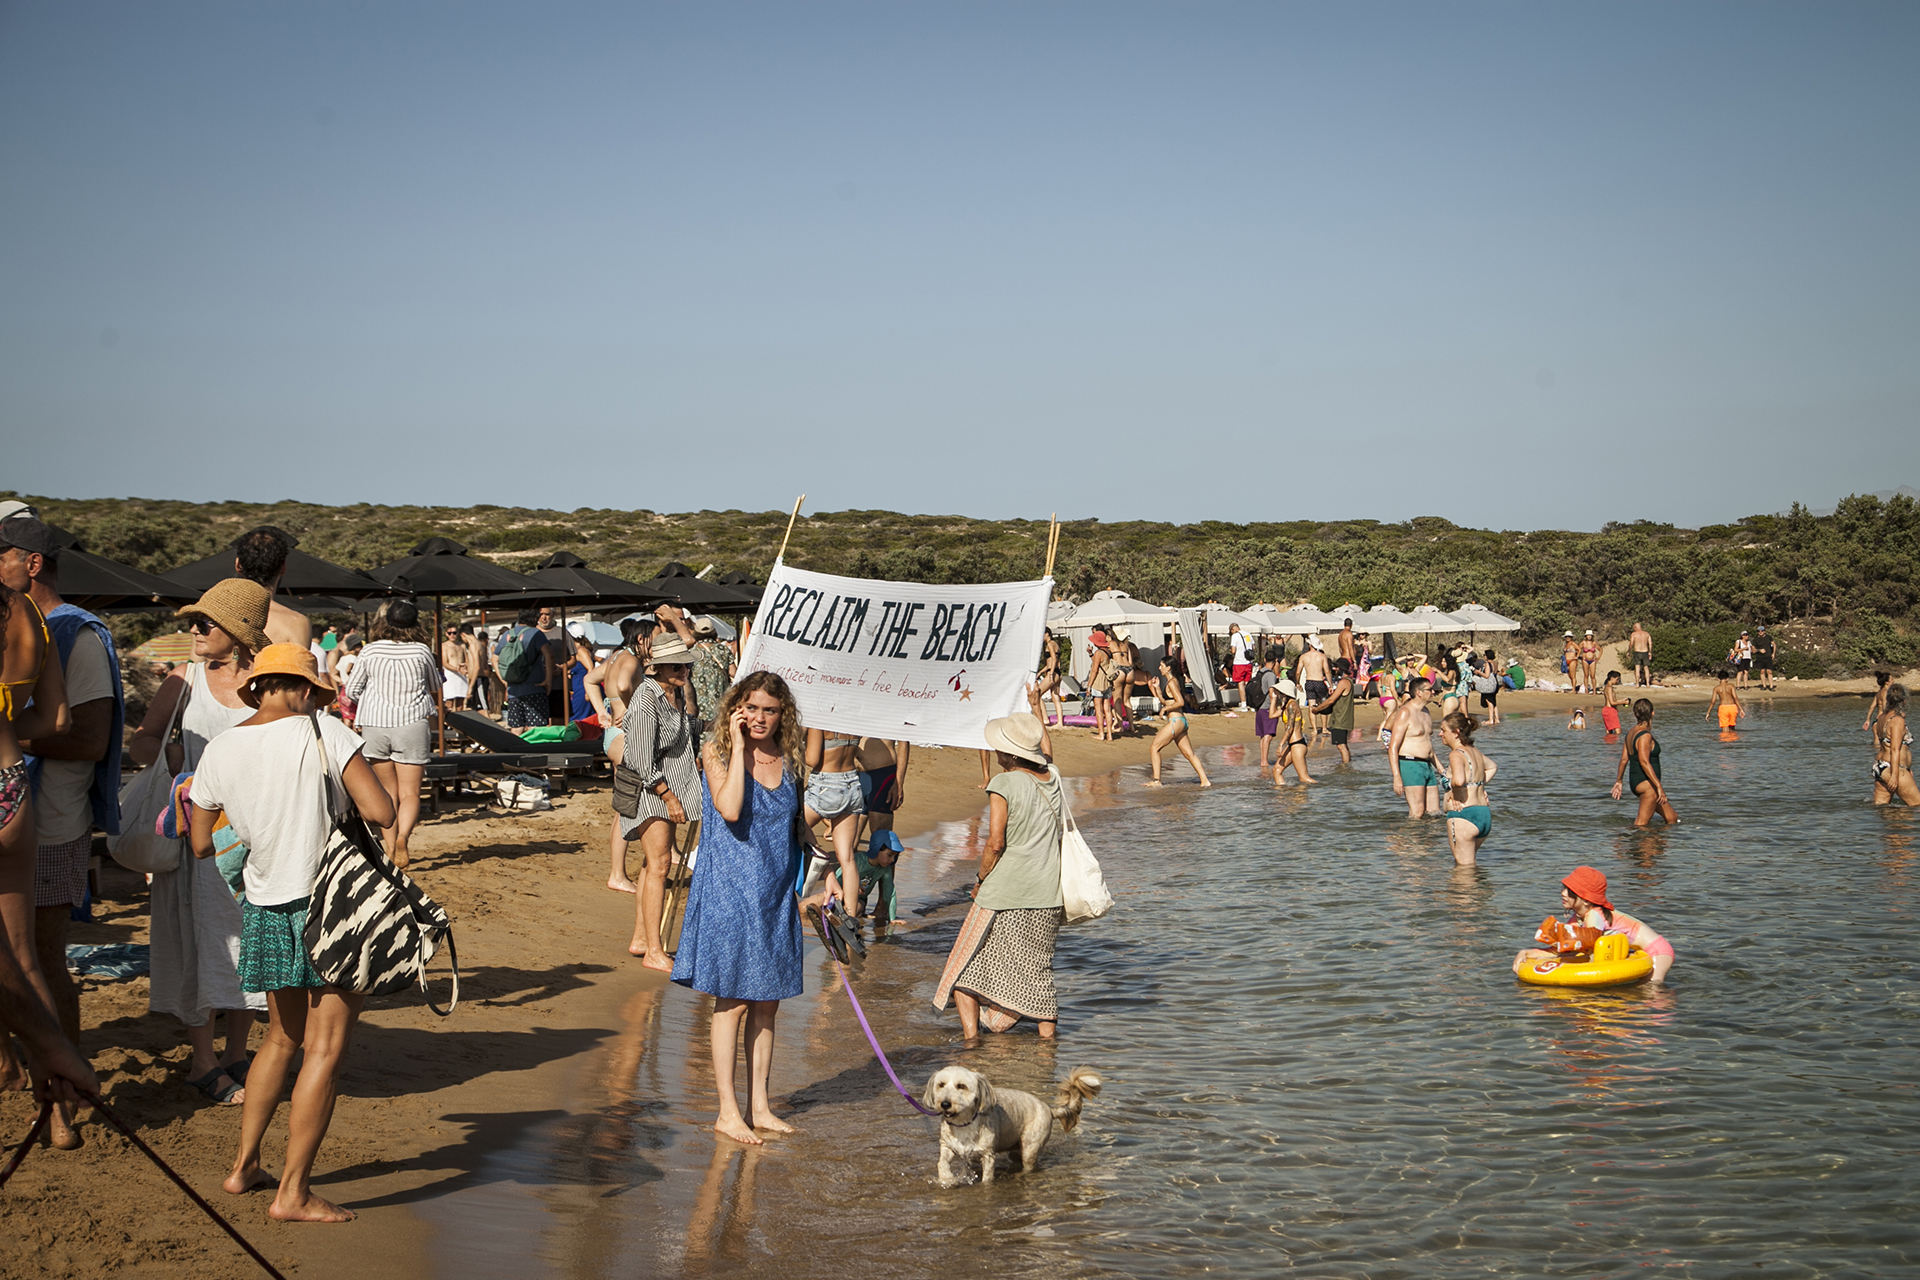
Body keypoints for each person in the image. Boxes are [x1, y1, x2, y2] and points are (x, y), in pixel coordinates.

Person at [189, 644, 396, 1222]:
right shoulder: (324, 731)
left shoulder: (223, 748)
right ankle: (294, 1193)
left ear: (259, 687)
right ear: (304, 689)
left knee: (280, 1040)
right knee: (324, 1052)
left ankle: (244, 1166)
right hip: (330, 905)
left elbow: (203, 843)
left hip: (266, 907)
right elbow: (380, 811)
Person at [128, 580, 270, 1107]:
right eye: (194, 621)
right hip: (197, 836)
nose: (193, 630)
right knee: (199, 941)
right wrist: (175, 764)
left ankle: (235, 1052)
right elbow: (142, 740)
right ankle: (201, 1059)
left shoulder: (268, 680)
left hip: (255, 836)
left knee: (247, 943)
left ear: (236, 633)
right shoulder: (183, 680)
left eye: (204, 623)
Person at [9, 523, 123, 1148]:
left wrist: (6, 737)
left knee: (42, 959)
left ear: (31, 563)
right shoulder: (16, 626)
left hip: (50, 822)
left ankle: (62, 1108)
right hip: (23, 810)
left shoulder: (76, 634)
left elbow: (89, 738)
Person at [670, 671, 813, 1144]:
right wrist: (733, 741)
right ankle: (727, 1111)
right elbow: (730, 809)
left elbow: (790, 820)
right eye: (750, 708)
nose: (758, 718)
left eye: (769, 710)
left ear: (782, 714)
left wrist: (808, 838)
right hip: (730, 893)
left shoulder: (789, 758)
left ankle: (760, 1106)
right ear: (736, 707)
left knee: (767, 1004)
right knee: (731, 1002)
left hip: (774, 894)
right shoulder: (717, 752)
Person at [0, 523, 75, 1137]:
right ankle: (60, 1115)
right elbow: (54, 719)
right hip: (9, 784)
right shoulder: (29, 616)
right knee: (24, 957)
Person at [935, 709, 1064, 1040]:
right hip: (1049, 893)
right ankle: (1048, 1046)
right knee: (1038, 972)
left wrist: (979, 881)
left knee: (963, 970)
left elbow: (995, 843)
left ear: (1007, 753)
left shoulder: (1003, 782)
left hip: (1006, 892)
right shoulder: (1053, 778)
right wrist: (1036, 707)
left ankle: (971, 1043)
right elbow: (1046, 754)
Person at [622, 632, 703, 972]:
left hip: (670, 786)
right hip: (652, 790)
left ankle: (643, 939)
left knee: (651, 864)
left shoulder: (675, 694)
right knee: (660, 865)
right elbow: (641, 759)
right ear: (659, 667)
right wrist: (668, 797)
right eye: (677, 665)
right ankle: (655, 951)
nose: (683, 670)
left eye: (685, 664)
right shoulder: (646, 699)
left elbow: (683, 731)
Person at [344, 600, 439, 870]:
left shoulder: (370, 651)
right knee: (410, 793)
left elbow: (352, 690)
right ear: (414, 624)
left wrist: (374, 696)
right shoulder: (422, 651)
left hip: (375, 723)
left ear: (385, 622)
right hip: (411, 723)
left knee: (387, 792)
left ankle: (389, 848)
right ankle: (403, 838)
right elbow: (434, 686)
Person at [1512, 866, 1675, 984]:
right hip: (1638, 950)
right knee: (1637, 991)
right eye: (1564, 888)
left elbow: (1589, 949)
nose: (1562, 893)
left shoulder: (1594, 915)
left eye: (1569, 890)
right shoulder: (1578, 919)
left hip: (1657, 950)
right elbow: (1560, 950)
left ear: (1584, 898)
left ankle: (1662, 1019)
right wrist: (1530, 952)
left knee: (1651, 990)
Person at [799, 723, 866, 937]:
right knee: (847, 858)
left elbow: (812, 759)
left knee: (794, 826)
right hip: (852, 784)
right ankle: (851, 920)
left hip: (825, 784)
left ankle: (821, 864)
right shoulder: (854, 720)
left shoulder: (821, 720)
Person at [233, 527, 313, 651]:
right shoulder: (296, 623)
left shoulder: (208, 616)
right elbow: (300, 669)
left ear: (238, 565)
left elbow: (194, 667)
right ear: (283, 568)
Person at [1439, 711, 1496, 866]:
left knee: (1464, 870)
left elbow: (1458, 780)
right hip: (1483, 814)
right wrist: (1479, 785)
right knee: (1470, 866)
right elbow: (1492, 767)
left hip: (1464, 815)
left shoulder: (1456, 754)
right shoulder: (1475, 751)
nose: (1440, 734)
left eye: (1443, 730)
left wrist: (1455, 793)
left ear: (1456, 733)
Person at [1612, 698, 1678, 826]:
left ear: (1635, 714)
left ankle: (1657, 843)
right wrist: (1659, 787)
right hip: (1647, 785)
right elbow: (1644, 762)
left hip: (1638, 782)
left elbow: (1624, 759)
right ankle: (1631, 844)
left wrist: (1619, 781)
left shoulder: (1631, 733)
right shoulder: (1644, 736)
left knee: (1672, 818)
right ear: (1653, 713)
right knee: (1641, 825)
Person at [1147, 655, 1211, 787]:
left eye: (1162, 666)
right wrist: (1157, 688)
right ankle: (1205, 781)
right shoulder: (1171, 682)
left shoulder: (1172, 682)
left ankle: (1156, 781)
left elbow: (1180, 702)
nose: (1159, 668)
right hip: (1180, 722)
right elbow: (1166, 701)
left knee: (1154, 748)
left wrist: (1165, 709)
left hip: (1175, 722)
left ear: (1168, 668)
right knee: (1189, 754)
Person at [494, 607, 554, 733]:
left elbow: (494, 659)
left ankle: (515, 752)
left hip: (513, 691)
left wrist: (504, 680)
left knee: (516, 728)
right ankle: (535, 752)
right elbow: (549, 655)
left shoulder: (507, 634)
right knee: (536, 727)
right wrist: (548, 680)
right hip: (534, 687)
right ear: (534, 618)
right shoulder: (536, 634)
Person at [1387, 677, 1441, 817]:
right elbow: (1393, 746)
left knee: (1434, 812)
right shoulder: (1405, 712)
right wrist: (1396, 776)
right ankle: (1409, 838)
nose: (1433, 692)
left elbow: (1427, 744)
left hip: (1427, 765)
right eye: (1430, 690)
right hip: (1410, 764)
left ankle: (1429, 839)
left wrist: (1441, 769)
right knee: (1417, 812)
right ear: (1419, 692)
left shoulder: (1426, 712)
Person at [1871, 683, 1920, 807]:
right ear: (1904, 701)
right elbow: (1894, 749)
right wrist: (1895, 774)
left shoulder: (1882, 717)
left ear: (1887, 699)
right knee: (1917, 805)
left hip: (1880, 767)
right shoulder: (1897, 721)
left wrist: (1907, 769)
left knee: (1882, 809)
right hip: (1893, 768)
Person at [689, 616, 734, 728]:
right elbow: (734, 673)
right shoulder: (723, 650)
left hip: (698, 711)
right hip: (721, 707)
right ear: (714, 631)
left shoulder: (691, 653)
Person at [1269, 677, 1316, 786]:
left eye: (1278, 692)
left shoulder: (1292, 705)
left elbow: (1290, 728)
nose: (1277, 693)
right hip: (1292, 745)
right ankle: (1282, 796)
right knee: (1276, 770)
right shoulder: (1286, 705)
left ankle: (1325, 789)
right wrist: (1273, 700)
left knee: (1304, 778)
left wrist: (1280, 745)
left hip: (1297, 744)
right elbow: (1271, 715)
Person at [1313, 657, 1356, 765]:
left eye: (1336, 667)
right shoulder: (1348, 681)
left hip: (1340, 718)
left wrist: (1317, 709)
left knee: (1340, 745)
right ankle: (1348, 764)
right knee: (1343, 744)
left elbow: (1331, 700)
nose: (1335, 669)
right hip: (1344, 718)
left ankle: (1345, 767)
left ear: (1341, 668)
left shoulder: (1344, 682)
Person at [1297, 635, 1332, 742]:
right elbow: (1326, 671)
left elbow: (1298, 671)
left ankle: (1315, 729)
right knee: (1322, 704)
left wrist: (1297, 682)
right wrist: (1330, 685)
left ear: (1309, 645)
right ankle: (1324, 728)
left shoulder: (1303, 657)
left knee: (1312, 705)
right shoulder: (1321, 656)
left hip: (1309, 681)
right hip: (1319, 681)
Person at [1251, 654, 1282, 768]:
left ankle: (1263, 759)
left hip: (1259, 707)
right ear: (1275, 660)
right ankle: (1264, 761)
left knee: (1263, 735)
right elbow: (1271, 692)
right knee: (1268, 736)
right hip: (1268, 707)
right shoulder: (1270, 675)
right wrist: (1276, 702)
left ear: (1264, 660)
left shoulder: (1260, 672)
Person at [1085, 629, 1114, 741]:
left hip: (1098, 683)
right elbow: (1102, 664)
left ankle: (1101, 733)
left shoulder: (1099, 653)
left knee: (1098, 709)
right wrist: (1091, 654)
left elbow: (1095, 670)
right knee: (1107, 709)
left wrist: (1089, 685)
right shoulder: (1108, 652)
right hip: (1107, 682)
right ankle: (1110, 734)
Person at [1035, 628, 1064, 727]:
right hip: (1057, 672)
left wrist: (1050, 674)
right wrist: (1040, 672)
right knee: (1055, 697)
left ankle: (1045, 718)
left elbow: (1054, 659)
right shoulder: (1055, 644)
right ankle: (1060, 722)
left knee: (1037, 693)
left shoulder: (1050, 644)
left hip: (1053, 673)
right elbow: (1051, 662)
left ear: (1047, 634)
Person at [439, 622, 471, 711]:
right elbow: (445, 663)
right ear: (446, 634)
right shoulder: (444, 646)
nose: (452, 635)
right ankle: (447, 723)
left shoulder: (462, 645)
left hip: (461, 676)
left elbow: (466, 659)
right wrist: (457, 669)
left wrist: (465, 667)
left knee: (460, 704)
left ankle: (458, 723)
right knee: (449, 703)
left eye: (454, 633)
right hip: (450, 676)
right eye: (450, 633)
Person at [1227, 623, 1253, 705]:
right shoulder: (1248, 634)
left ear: (1232, 630)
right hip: (1248, 662)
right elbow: (1253, 647)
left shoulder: (1235, 636)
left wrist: (1231, 651)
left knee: (1240, 683)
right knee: (1248, 683)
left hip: (1239, 662)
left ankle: (1243, 703)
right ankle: (1250, 702)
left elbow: (1233, 650)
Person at [1476, 648, 1503, 725]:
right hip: (1495, 683)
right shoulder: (1495, 663)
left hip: (1489, 685)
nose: (1484, 656)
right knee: (1493, 701)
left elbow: (1487, 675)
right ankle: (1496, 719)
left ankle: (1491, 719)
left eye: (1484, 655)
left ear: (1487, 656)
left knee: (1489, 701)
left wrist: (1479, 672)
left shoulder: (1488, 664)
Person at [1864, 670, 1894, 734]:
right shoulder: (1885, 693)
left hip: (1876, 720)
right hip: (1883, 720)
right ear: (1887, 682)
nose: (1893, 681)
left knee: (1876, 743)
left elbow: (1871, 707)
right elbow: (1884, 708)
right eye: (1891, 679)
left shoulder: (1879, 693)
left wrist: (1868, 720)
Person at [1752, 626, 1777, 691]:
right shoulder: (1755, 639)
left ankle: (1771, 686)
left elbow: (1774, 644)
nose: (1760, 632)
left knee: (1769, 671)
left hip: (1768, 656)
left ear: (1764, 631)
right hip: (1760, 657)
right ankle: (1764, 685)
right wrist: (1759, 650)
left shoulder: (1768, 637)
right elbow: (1753, 650)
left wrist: (1773, 653)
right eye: (1759, 631)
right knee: (1762, 671)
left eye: (1762, 631)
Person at [1600, 671, 1624, 735]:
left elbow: (1611, 700)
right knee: (1618, 732)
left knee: (1609, 732)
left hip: (1606, 710)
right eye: (1617, 679)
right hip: (1610, 710)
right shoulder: (1609, 688)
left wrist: (1623, 700)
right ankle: (1616, 744)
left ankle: (1609, 744)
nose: (1617, 681)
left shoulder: (1607, 687)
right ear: (1612, 678)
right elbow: (1612, 702)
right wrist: (1623, 702)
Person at [1629, 622, 1653, 687]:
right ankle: (1648, 684)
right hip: (1645, 651)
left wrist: (1629, 651)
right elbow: (1650, 644)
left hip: (1637, 651)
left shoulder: (1634, 634)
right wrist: (1650, 652)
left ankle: (1637, 684)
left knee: (1637, 668)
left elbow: (1631, 643)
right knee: (1646, 668)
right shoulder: (1646, 634)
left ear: (1635, 628)